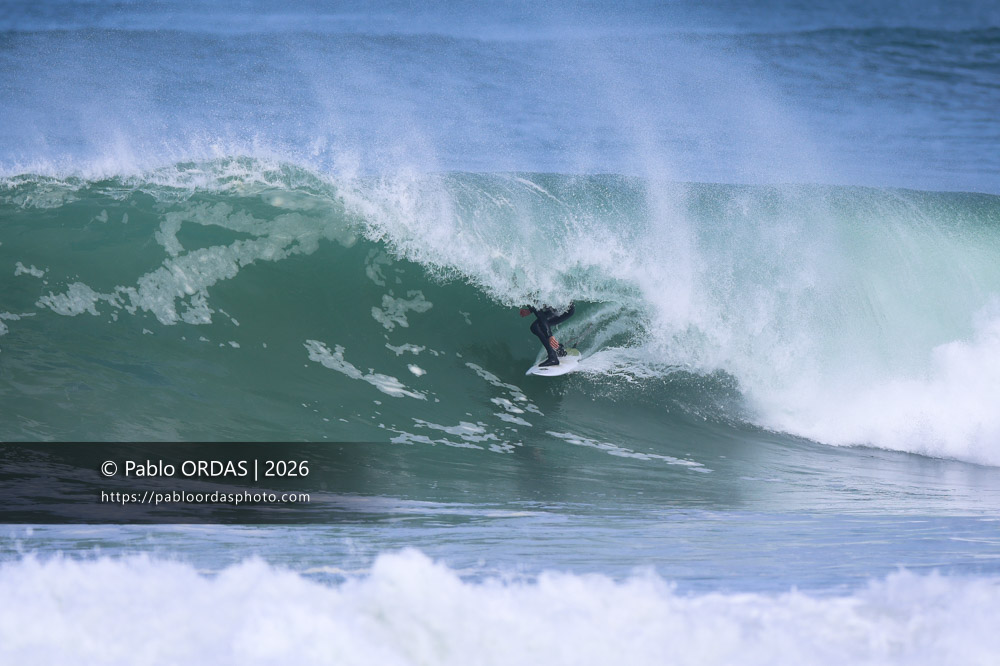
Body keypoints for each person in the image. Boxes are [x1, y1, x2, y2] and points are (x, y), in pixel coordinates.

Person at [520, 302, 575, 367]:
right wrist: (531, 310)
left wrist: (549, 335)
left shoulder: (529, 294)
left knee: (537, 326)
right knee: (536, 327)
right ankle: (558, 350)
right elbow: (542, 302)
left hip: (565, 309)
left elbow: (541, 316)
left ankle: (553, 357)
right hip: (555, 308)